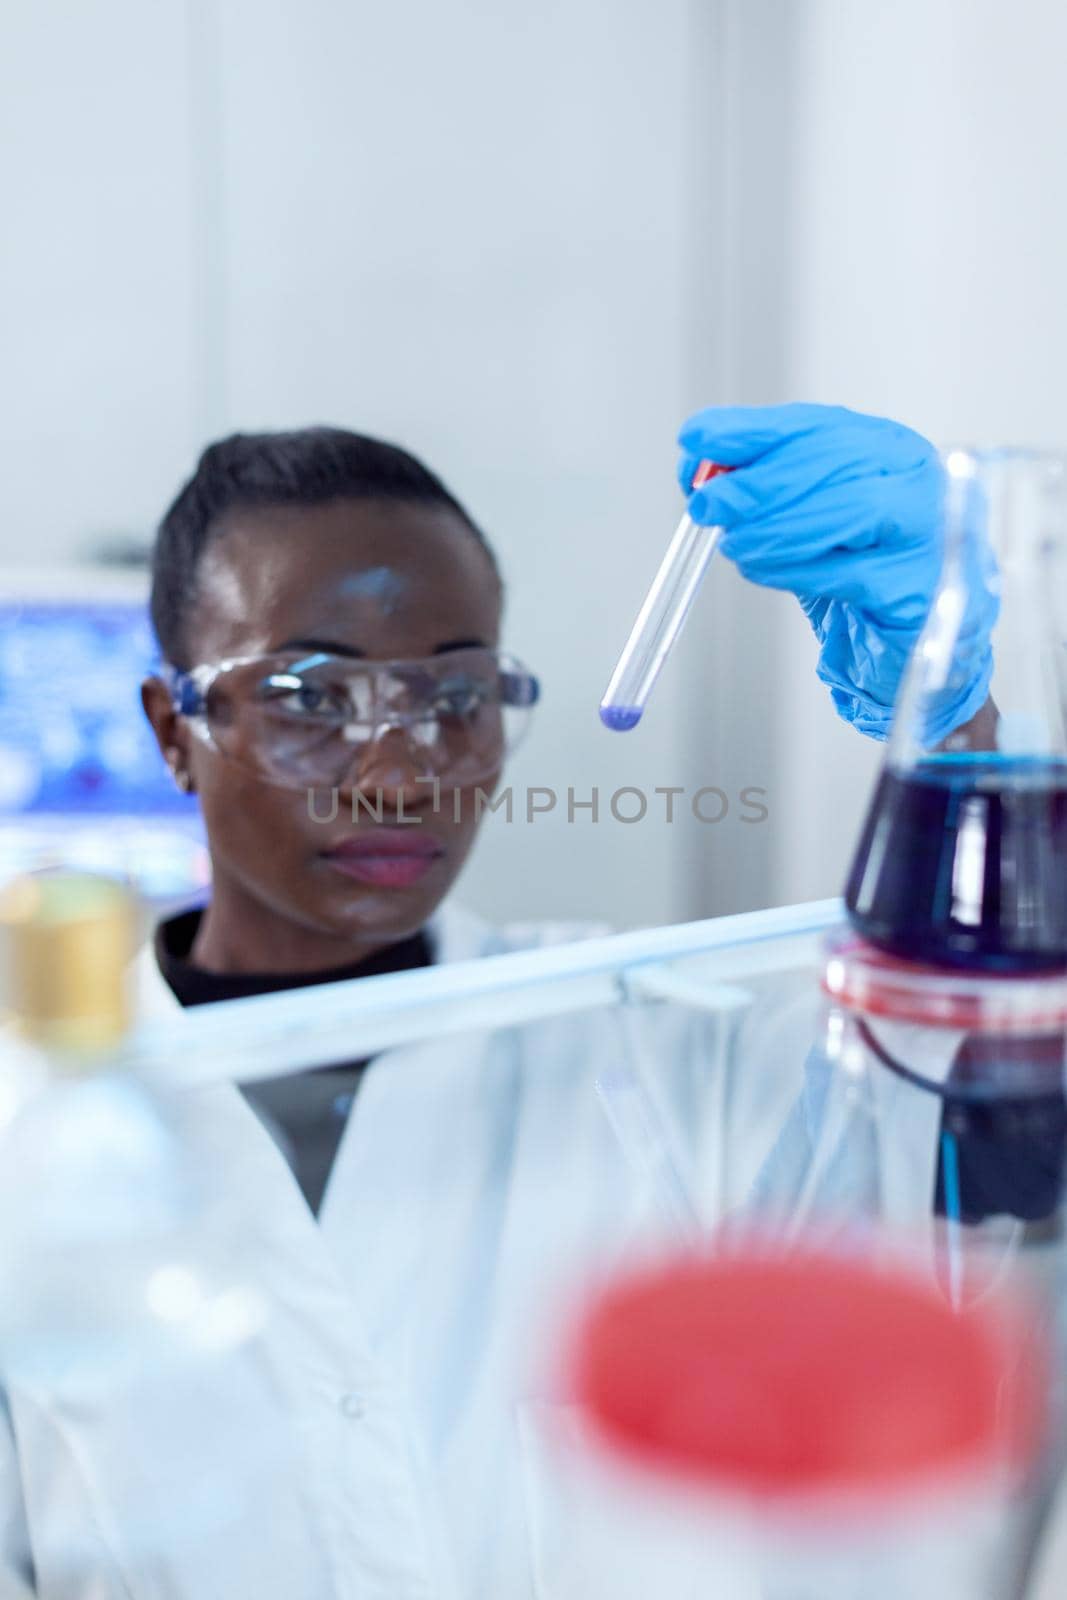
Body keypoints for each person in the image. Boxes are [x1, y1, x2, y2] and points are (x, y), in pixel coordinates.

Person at [0, 405, 992, 1596]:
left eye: (456, 694)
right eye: (309, 698)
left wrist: (954, 732)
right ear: (176, 729)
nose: (401, 770)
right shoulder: (32, 1124)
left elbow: (965, 1094)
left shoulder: (651, 1036)